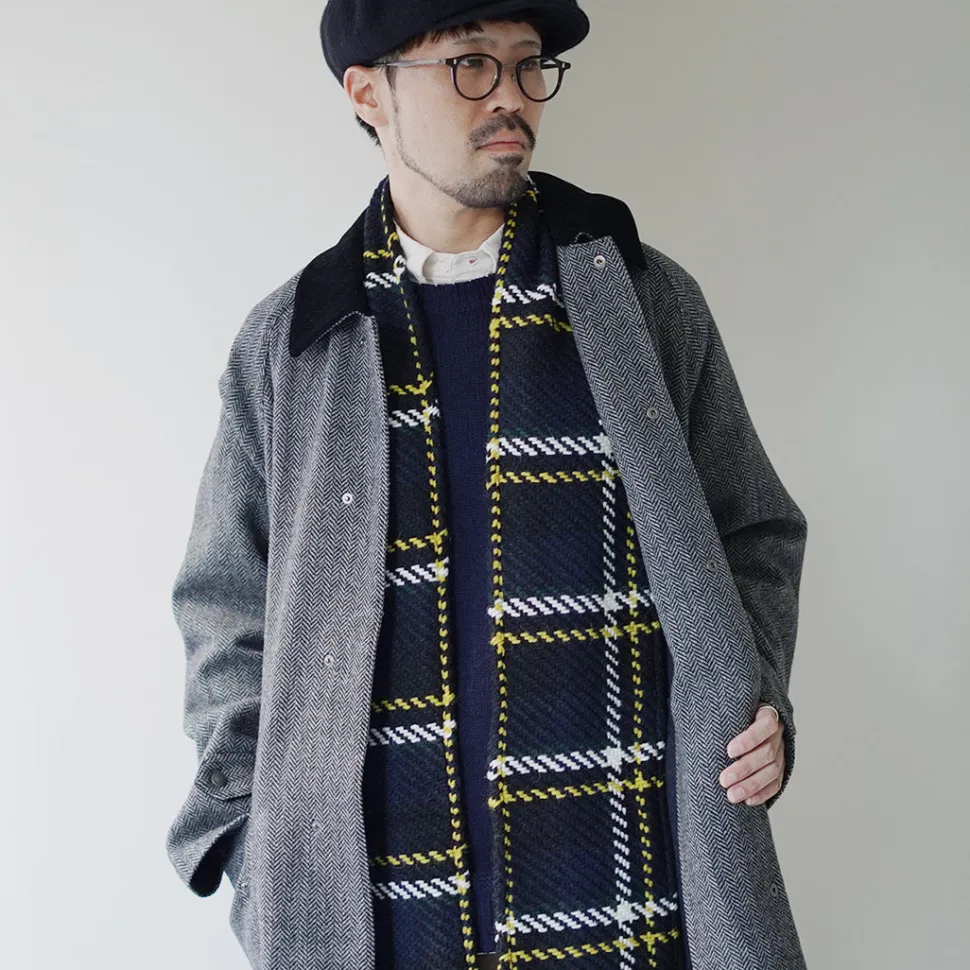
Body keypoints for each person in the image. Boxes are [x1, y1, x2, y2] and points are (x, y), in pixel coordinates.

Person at [163, 3, 809, 969]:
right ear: (368, 93)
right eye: (470, 64)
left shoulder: (641, 297)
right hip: (380, 906)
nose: (512, 96)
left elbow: (754, 528)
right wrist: (248, 828)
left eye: (528, 64)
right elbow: (223, 605)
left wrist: (754, 699)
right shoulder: (292, 344)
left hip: (637, 876)